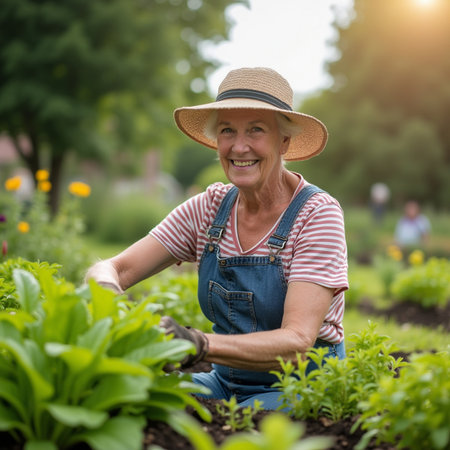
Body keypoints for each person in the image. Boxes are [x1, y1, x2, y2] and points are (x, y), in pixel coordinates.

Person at [85, 67, 348, 410]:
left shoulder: (316, 215)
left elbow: (296, 343)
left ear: (284, 141)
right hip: (222, 380)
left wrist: (198, 344)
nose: (239, 146)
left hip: (302, 385)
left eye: (256, 130)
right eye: (227, 130)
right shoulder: (209, 208)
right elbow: (112, 267)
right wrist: (109, 296)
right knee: (131, 392)